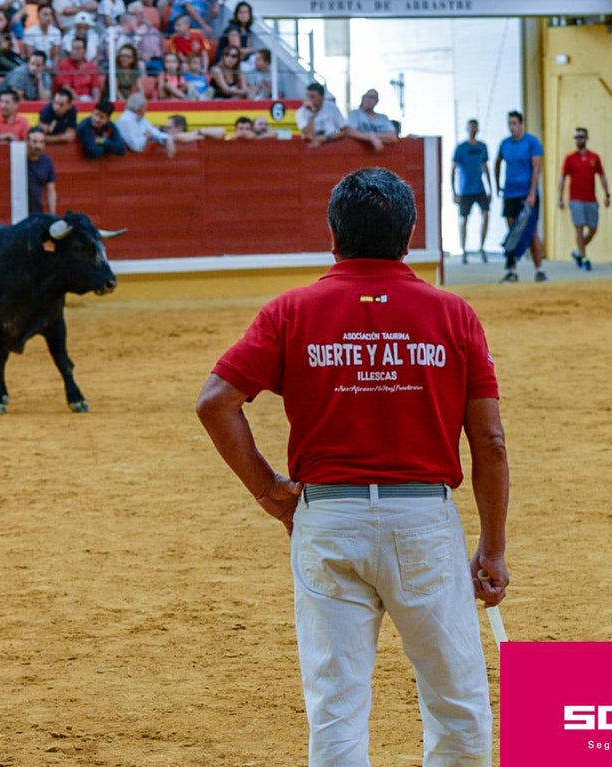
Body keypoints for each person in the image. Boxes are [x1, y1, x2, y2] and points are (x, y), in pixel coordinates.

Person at [196, 166, 508, 767]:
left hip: (327, 519)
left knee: (336, 705)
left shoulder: (291, 312)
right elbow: (489, 440)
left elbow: (216, 403)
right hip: (422, 521)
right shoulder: (453, 315)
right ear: (410, 234)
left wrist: (268, 491)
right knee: (457, 700)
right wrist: (492, 548)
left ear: (332, 236)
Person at [494, 110, 547, 283]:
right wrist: (497, 186)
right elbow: (497, 162)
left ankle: (539, 269)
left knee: (531, 233)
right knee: (513, 233)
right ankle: (512, 271)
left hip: (527, 195)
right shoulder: (505, 144)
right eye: (509, 124)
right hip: (510, 193)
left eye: (514, 123)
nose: (512, 127)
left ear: (521, 124)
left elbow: (537, 168)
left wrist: (532, 193)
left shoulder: (532, 142)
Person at [557, 126, 611, 271]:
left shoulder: (594, 157)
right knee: (579, 228)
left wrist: (607, 194)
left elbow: (602, 176)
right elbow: (562, 178)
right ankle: (585, 258)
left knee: (593, 229)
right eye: (576, 137)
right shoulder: (570, 158)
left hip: (591, 199)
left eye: (581, 137)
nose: (578, 139)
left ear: (586, 138)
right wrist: (560, 197)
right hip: (576, 199)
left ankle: (578, 252)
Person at [451, 119, 491, 265]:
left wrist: (490, 188)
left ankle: (482, 247)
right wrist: (454, 192)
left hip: (480, 188)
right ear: (466, 129)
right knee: (464, 219)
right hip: (465, 190)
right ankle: (464, 250)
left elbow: (485, 167)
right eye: (471, 127)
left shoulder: (482, 147)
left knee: (486, 215)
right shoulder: (461, 148)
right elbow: (453, 169)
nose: (473, 129)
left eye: (475, 127)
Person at [295, 82, 349, 148]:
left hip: (332, 145)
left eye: (312, 97)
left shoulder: (332, 107)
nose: (309, 100)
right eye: (307, 96)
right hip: (313, 149)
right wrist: (313, 114)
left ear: (322, 98)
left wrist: (326, 138)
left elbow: (345, 130)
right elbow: (309, 136)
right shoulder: (301, 112)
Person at [54, 36, 101, 101]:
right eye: (73, 48)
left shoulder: (91, 66)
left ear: (84, 51)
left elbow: (95, 87)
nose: (74, 51)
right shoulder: (64, 65)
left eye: (78, 49)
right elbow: (66, 87)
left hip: (88, 99)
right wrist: (80, 102)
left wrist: (95, 102)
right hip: (70, 99)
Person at [26, 126, 57, 215]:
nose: (38, 146)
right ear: (27, 141)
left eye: (41, 142)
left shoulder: (47, 162)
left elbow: (51, 191)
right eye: (34, 142)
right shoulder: (18, 158)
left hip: (36, 212)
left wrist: (52, 214)